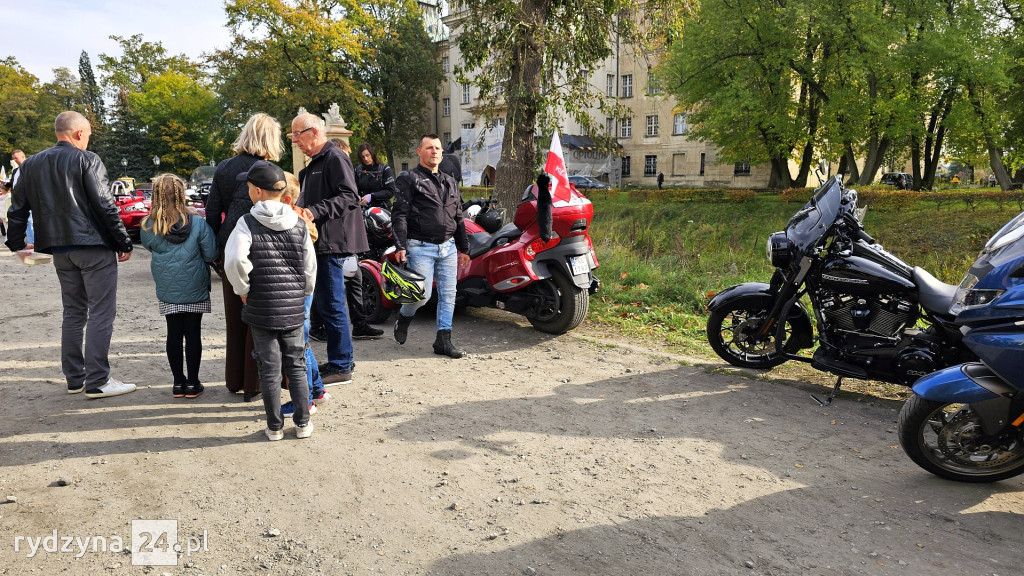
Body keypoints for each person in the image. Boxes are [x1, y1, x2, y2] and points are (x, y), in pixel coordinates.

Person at [4, 111, 136, 398]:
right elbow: (105, 204)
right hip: (93, 246)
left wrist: (16, 244)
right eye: (87, 135)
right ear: (78, 133)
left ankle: (76, 378)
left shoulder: (30, 165)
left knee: (74, 312)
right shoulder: (87, 159)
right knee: (102, 311)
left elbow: (16, 209)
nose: (88, 140)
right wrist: (123, 243)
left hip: (59, 249)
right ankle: (99, 380)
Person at [224, 161, 317, 440]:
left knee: (269, 367)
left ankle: (274, 426)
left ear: (256, 192)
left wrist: (243, 289)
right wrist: (304, 293)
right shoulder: (299, 223)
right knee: (296, 364)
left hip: (261, 305)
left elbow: (235, 260)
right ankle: (302, 424)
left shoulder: (247, 222)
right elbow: (309, 267)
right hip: (292, 306)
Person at [205, 113, 285, 401]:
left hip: (230, 246)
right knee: (261, 316)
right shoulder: (271, 170)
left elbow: (212, 212)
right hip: (264, 247)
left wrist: (216, 251)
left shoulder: (225, 168)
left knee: (236, 316)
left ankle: (235, 378)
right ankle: (256, 384)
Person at [292, 113, 370, 383]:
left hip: (333, 243)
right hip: (323, 242)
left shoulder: (335, 157)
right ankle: (340, 360)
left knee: (334, 305)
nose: (294, 140)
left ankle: (341, 365)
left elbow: (350, 196)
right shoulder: (317, 161)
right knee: (328, 305)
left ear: (313, 132)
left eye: (297, 134)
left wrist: (313, 212)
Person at [392, 134, 470, 358]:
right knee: (421, 295)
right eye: (429, 148)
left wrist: (464, 248)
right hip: (420, 246)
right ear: (419, 152)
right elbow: (400, 214)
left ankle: (443, 341)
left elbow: (458, 218)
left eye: (437, 148)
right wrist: (400, 245)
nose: (434, 151)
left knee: (448, 294)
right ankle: (404, 317)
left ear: (442, 153)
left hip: (448, 247)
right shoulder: (409, 178)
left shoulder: (450, 181)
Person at [140, 174, 218, 398]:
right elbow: (212, 253)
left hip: (167, 285)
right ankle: (193, 383)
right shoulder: (198, 223)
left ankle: (177, 383)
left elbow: (149, 247)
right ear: (181, 194)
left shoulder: (149, 225)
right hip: (195, 284)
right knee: (193, 333)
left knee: (173, 333)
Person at [281, 171, 327, 416]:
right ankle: (317, 390)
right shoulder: (302, 218)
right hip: (304, 286)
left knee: (298, 345)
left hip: (295, 288)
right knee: (304, 341)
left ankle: (306, 399)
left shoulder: (289, 221)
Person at [355, 142, 398, 209]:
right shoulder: (358, 170)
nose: (365, 159)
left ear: (372, 154)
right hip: (363, 208)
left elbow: (390, 191)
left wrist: (372, 196)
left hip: (382, 209)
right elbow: (355, 189)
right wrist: (357, 196)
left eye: (367, 155)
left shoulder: (385, 169)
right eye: (363, 157)